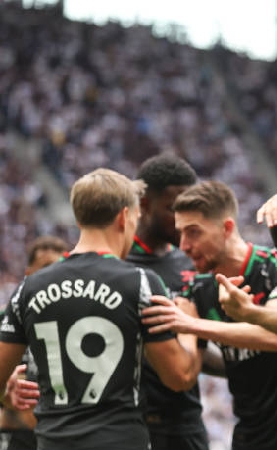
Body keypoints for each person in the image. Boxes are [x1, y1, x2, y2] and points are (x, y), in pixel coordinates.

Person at [0, 168, 199, 450]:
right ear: (123, 217)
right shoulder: (141, 283)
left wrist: (7, 394)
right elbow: (178, 377)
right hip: (120, 441)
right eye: (134, 220)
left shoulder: (28, 288)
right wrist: (190, 329)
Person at [141, 180, 277, 450]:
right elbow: (184, 374)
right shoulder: (197, 289)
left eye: (193, 233)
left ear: (226, 228)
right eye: (180, 235)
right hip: (247, 438)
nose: (184, 245)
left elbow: (274, 336)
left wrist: (191, 324)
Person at [125, 153, 211, 450]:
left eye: (191, 208)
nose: (184, 219)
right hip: (132, 426)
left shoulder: (191, 263)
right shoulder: (121, 265)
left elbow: (197, 349)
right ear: (145, 205)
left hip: (186, 423)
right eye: (173, 209)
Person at [0, 236, 69, 450]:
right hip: (16, 436)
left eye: (58, 269)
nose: (52, 277)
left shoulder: (75, 324)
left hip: (62, 434)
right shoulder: (6, 321)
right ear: (28, 273)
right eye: (45, 269)